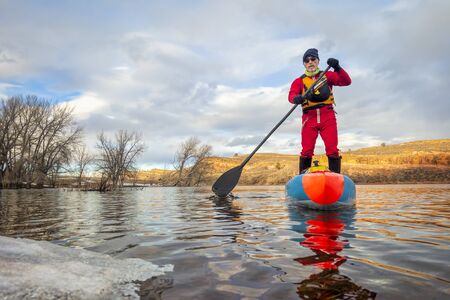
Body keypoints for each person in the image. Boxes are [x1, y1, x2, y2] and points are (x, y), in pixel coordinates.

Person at [288, 48, 351, 174]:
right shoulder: (299, 81)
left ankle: (335, 177)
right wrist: (296, 98)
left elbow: (346, 81)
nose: (310, 62)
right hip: (308, 118)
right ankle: (303, 177)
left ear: (317, 61)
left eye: (313, 59)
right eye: (307, 60)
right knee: (306, 150)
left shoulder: (327, 75)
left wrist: (338, 67)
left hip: (327, 116)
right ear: (304, 64)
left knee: (332, 149)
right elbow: (291, 96)